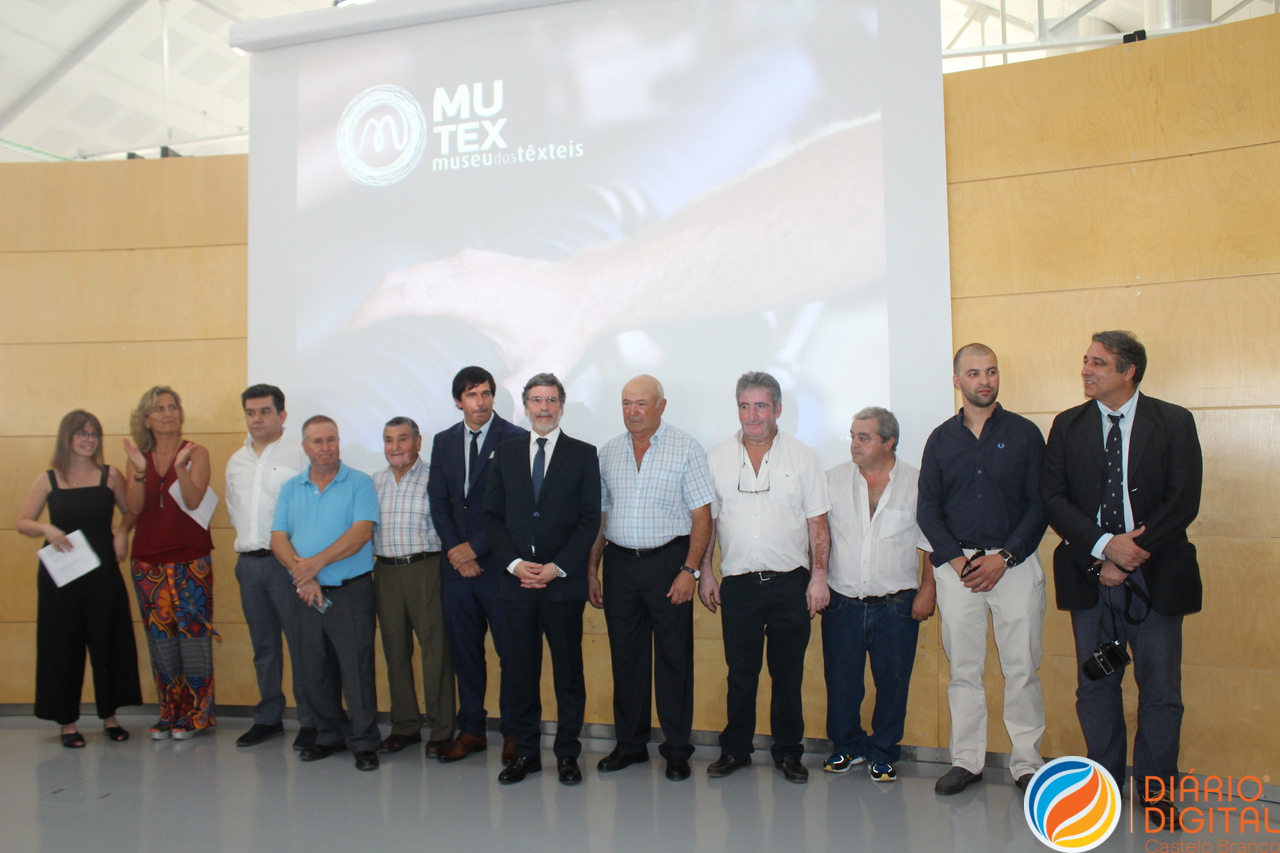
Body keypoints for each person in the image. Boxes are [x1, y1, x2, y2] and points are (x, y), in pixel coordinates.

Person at [1041, 331, 1202, 826]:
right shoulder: (1068, 425)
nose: (1086, 370)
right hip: (1090, 578)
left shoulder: (1173, 421)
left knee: (1160, 691)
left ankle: (1156, 794)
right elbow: (1054, 499)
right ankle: (1104, 789)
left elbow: (1183, 501)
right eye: (1086, 361)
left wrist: (1129, 555)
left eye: (1098, 363)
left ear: (1128, 371)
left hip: (1157, 578)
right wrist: (1104, 547)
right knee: (1096, 687)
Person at [917, 344, 1048, 794]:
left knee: (1022, 668)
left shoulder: (1025, 434)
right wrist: (958, 561)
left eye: (991, 372)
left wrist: (1004, 558)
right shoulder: (940, 439)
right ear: (958, 381)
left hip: (1015, 566)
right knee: (964, 670)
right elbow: (928, 509)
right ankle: (967, 761)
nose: (985, 381)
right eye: (974, 373)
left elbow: (1039, 505)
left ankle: (1027, 763)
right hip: (958, 571)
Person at [698, 371, 830, 784]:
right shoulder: (717, 457)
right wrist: (705, 572)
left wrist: (819, 578)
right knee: (740, 674)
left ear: (777, 409)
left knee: (788, 676)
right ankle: (735, 750)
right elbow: (709, 523)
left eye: (760, 406)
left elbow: (818, 524)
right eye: (745, 406)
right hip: (737, 584)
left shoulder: (803, 457)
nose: (752, 415)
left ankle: (788, 753)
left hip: (791, 582)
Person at [587, 375, 714, 782]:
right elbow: (601, 519)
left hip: (669, 564)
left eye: (641, 403)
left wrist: (690, 570)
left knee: (674, 660)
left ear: (661, 406)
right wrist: (592, 569)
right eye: (626, 403)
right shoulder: (608, 452)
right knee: (626, 660)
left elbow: (702, 517)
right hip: (620, 565)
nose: (633, 412)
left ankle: (676, 750)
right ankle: (629, 745)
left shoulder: (686, 448)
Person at [484, 373, 601, 785]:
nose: (544, 408)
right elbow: (492, 518)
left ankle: (567, 753)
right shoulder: (505, 453)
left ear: (562, 406)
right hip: (517, 584)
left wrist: (558, 566)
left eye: (551, 400)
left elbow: (589, 520)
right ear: (526, 406)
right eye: (536, 400)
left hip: (562, 584)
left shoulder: (583, 454)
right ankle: (526, 753)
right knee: (520, 673)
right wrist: (515, 564)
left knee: (568, 673)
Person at [17, 410, 143, 747]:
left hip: (102, 571)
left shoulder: (110, 475)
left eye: (94, 434)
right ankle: (67, 723)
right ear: (67, 437)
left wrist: (122, 532)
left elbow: (131, 510)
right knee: (62, 645)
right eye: (82, 433)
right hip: (61, 575)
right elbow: (23, 522)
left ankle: (110, 718)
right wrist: (46, 528)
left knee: (108, 641)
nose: (89, 440)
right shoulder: (49, 479)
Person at [822, 407, 935, 783]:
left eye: (864, 437)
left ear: (889, 442)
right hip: (842, 601)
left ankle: (883, 752)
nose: (854, 444)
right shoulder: (832, 480)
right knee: (842, 683)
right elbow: (817, 533)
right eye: (853, 436)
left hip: (897, 605)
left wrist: (928, 590)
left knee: (893, 685)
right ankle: (846, 747)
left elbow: (931, 543)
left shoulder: (917, 483)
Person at [427, 366, 527, 764]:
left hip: (498, 567)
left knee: (511, 654)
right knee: (465, 653)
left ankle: (514, 732)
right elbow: (439, 502)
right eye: (472, 395)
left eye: (486, 393)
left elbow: (515, 505)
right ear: (459, 401)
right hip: (456, 571)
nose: (480, 402)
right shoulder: (443, 441)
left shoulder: (515, 438)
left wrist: (476, 548)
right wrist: (456, 550)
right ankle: (471, 730)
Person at [271, 416, 382, 771]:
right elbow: (278, 538)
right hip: (305, 593)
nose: (325, 447)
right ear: (305, 447)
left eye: (331, 439)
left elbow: (361, 532)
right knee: (313, 668)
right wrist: (303, 577)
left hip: (350, 591)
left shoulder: (359, 482)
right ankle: (329, 734)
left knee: (356, 669)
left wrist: (314, 565)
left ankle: (364, 742)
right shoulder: (291, 487)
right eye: (317, 441)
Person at [122, 386, 217, 740]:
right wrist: (138, 472)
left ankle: (197, 714)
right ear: (146, 419)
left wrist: (180, 468)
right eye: (159, 408)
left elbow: (193, 501)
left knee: (194, 638)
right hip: (148, 563)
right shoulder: (138, 458)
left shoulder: (196, 453)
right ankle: (169, 712)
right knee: (160, 639)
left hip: (191, 559)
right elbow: (134, 508)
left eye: (173, 407)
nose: (168, 414)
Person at [225, 384, 316, 750]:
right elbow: (234, 510)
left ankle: (310, 720)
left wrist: (302, 565)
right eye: (251, 413)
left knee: (300, 644)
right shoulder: (236, 461)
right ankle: (268, 718)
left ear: (282, 415)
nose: (257, 419)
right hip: (250, 565)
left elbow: (311, 511)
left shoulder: (299, 455)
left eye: (265, 411)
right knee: (264, 647)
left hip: (288, 566)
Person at [373, 416, 456, 758]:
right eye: (388, 440)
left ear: (418, 442)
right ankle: (404, 726)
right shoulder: (374, 482)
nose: (395, 447)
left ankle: (442, 729)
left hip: (426, 569)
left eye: (402, 438)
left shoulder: (436, 478)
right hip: (385, 573)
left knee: (435, 652)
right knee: (394, 651)